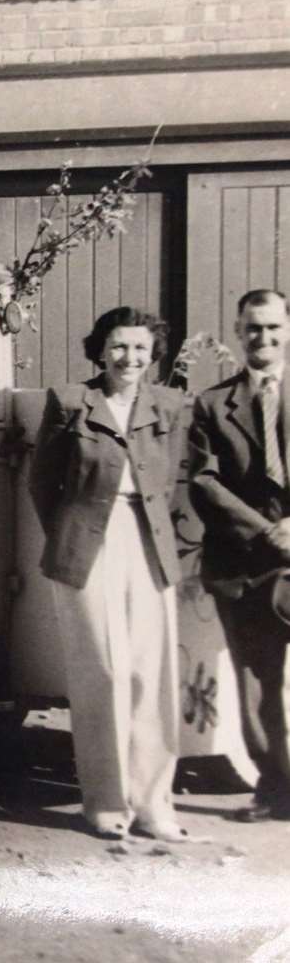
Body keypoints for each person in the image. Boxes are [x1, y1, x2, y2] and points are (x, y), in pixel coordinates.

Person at [29, 305, 203, 843]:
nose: (129, 358)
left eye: (140, 349)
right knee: (102, 671)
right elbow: (42, 485)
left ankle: (154, 805)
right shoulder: (70, 403)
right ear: (100, 350)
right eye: (119, 346)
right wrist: (72, 535)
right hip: (88, 545)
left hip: (150, 541)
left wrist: (179, 548)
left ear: (154, 357)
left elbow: (181, 480)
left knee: (151, 675)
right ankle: (104, 803)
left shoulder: (170, 405)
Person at [188, 288, 290, 822]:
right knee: (257, 682)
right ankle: (276, 790)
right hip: (245, 562)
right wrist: (267, 531)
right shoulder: (211, 405)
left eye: (273, 328)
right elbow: (203, 482)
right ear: (237, 332)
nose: (264, 338)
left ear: (288, 329)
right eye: (253, 329)